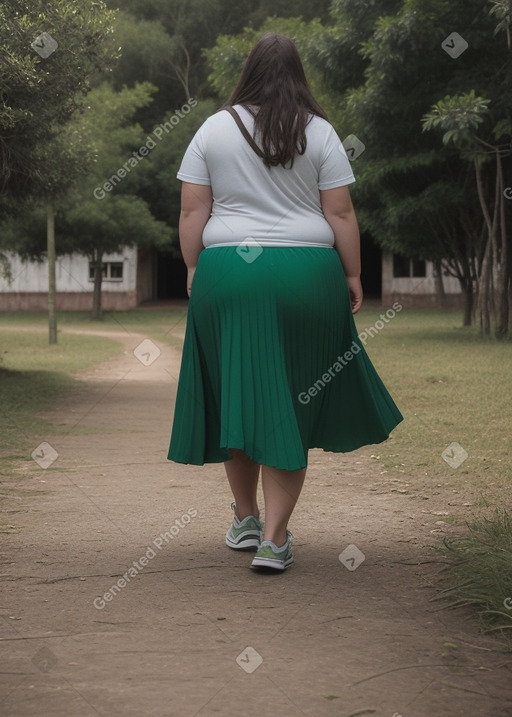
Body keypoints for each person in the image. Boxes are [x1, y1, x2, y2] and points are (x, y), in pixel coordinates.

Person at [168, 32, 403, 572]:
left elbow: (190, 213)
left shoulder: (212, 128)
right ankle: (275, 539)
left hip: (229, 270)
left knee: (238, 395)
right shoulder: (320, 131)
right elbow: (340, 214)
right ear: (299, 74)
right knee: (294, 401)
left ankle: (246, 519)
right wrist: (353, 273)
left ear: (247, 71)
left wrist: (195, 268)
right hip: (307, 273)